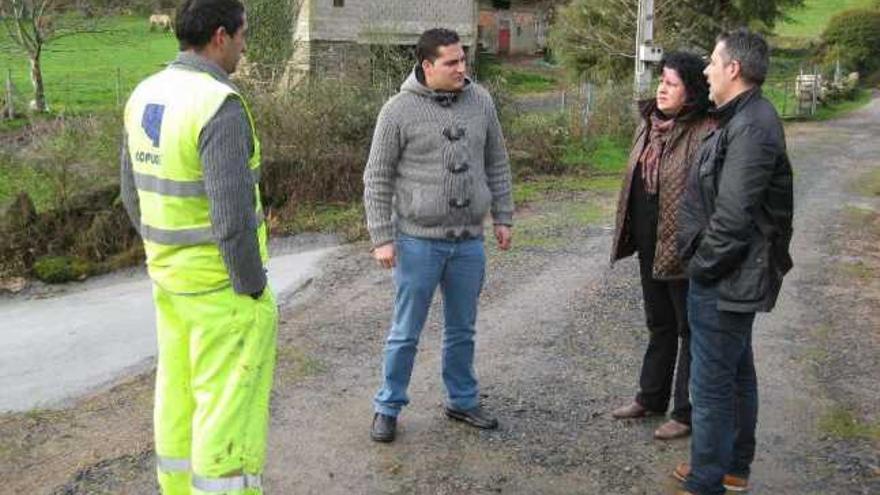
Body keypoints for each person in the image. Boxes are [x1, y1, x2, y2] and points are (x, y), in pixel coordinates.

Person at [120, 0, 277, 492]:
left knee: (178, 394)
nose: (246, 44)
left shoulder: (145, 94)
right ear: (219, 36)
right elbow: (232, 220)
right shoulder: (218, 105)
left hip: (169, 284)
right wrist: (251, 288)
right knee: (226, 406)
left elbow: (131, 193)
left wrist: (164, 253)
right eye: (243, 34)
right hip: (221, 292)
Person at [363, 28, 514, 443]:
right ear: (427, 66)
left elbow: (497, 163)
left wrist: (503, 216)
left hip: (468, 242)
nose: (461, 68)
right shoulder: (397, 111)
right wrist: (381, 237)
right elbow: (376, 177)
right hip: (417, 243)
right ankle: (388, 406)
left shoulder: (481, 101)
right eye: (452, 62)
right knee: (405, 331)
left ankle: (462, 400)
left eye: (463, 60)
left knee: (462, 328)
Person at [673, 28, 793, 495]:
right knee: (735, 372)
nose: (705, 70)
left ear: (733, 69)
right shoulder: (742, 118)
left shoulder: (752, 127)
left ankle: (708, 480)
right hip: (730, 278)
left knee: (711, 387)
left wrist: (701, 270)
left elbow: (733, 216)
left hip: (726, 280)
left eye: (711, 61)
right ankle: (731, 466)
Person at [610, 51, 714, 441]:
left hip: (685, 249)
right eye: (661, 82)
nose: (662, 89)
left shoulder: (705, 130)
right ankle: (650, 398)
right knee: (659, 324)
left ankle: (684, 413)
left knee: (690, 330)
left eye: (671, 83)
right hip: (650, 244)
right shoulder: (649, 124)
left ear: (691, 92)